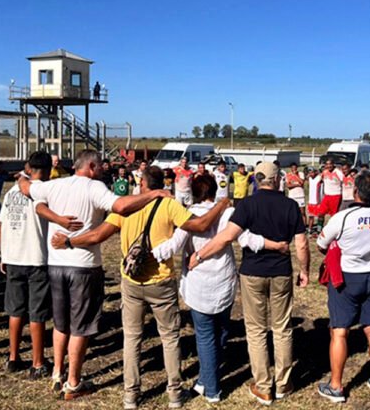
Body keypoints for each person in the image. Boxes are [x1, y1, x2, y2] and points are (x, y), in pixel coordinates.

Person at [50, 167, 228, 408]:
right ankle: (175, 392)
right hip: (162, 281)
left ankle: (131, 394)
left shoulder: (126, 207)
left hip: (131, 281)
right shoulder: (169, 205)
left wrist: (69, 242)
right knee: (170, 337)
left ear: (143, 183)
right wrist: (221, 204)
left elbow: (98, 235)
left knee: (132, 339)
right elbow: (201, 225)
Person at [16, 150, 169, 399]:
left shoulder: (54, 185)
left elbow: (26, 188)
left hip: (55, 264)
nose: (102, 170)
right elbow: (120, 205)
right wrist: (154, 194)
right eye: (100, 167)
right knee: (81, 326)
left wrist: (24, 174)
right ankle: (73, 382)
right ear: (90, 166)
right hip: (83, 265)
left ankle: (57, 372)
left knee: (61, 323)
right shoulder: (93, 187)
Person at [151, 174, 286, 404]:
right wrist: (275, 245)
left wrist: (150, 253)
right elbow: (248, 239)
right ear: (215, 191)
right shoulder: (227, 214)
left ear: (193, 192)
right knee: (221, 331)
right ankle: (207, 378)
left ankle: (211, 387)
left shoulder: (189, 215)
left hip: (199, 284)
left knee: (205, 336)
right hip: (223, 282)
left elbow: (173, 245)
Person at [189, 162, 310, 406]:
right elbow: (302, 243)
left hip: (252, 272)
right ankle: (284, 383)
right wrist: (304, 270)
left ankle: (264, 386)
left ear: (257, 180)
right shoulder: (291, 205)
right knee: (282, 327)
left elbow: (226, 237)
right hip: (281, 272)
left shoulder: (247, 205)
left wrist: (200, 254)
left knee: (255, 330)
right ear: (277, 180)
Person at [0, 151, 81, 378]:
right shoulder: (43, 192)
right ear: (46, 171)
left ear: (28, 167)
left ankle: (13, 356)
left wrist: (4, 254)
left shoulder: (12, 192)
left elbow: (1, 223)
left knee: (15, 311)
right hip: (36, 259)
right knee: (37, 313)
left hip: (13, 257)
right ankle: (37, 362)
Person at [316, 171, 370, 402]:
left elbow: (321, 243)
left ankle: (336, 385)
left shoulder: (343, 217)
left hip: (347, 277)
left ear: (356, 191)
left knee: (340, 330)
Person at [306, 166, 323, 234]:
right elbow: (306, 177)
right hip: (311, 201)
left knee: (320, 216)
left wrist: (318, 172)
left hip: (317, 201)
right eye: (310, 172)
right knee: (311, 216)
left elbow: (322, 174)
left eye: (312, 172)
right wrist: (309, 174)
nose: (311, 174)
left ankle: (319, 229)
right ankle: (310, 229)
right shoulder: (309, 178)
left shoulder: (319, 178)